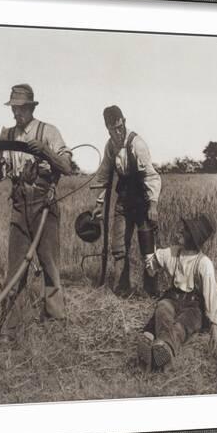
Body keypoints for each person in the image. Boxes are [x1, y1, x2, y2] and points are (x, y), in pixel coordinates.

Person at [0, 84, 73, 341]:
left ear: (30, 107)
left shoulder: (48, 131)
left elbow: (67, 167)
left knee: (49, 264)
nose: (16, 114)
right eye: (13, 108)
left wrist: (45, 151)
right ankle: (9, 327)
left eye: (20, 108)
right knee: (16, 268)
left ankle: (55, 322)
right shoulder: (8, 135)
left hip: (43, 204)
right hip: (18, 204)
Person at [136, 213, 217, 372]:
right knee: (163, 310)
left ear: (194, 238)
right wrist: (148, 249)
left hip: (194, 306)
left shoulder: (204, 263)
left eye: (185, 230)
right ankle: (159, 350)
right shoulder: (172, 252)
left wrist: (215, 329)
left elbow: (212, 296)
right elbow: (152, 265)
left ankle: (163, 348)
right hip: (172, 298)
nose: (180, 232)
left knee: (183, 324)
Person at [92, 105, 161, 296]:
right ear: (107, 128)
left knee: (148, 249)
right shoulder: (110, 146)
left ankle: (151, 291)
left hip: (142, 200)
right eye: (113, 129)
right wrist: (99, 204)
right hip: (123, 200)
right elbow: (104, 176)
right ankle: (122, 291)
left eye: (119, 127)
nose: (117, 132)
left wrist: (153, 204)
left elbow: (152, 177)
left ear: (124, 122)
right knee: (119, 248)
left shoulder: (137, 143)